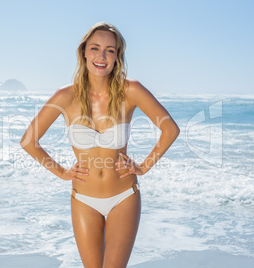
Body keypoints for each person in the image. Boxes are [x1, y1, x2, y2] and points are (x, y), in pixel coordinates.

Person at [20, 22, 179, 268]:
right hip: (83, 198)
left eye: (110, 50)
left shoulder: (131, 91)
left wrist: (144, 167)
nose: (101, 56)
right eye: (95, 48)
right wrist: (61, 172)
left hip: (124, 197)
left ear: (117, 56)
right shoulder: (65, 96)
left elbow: (170, 129)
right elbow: (28, 141)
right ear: (84, 52)